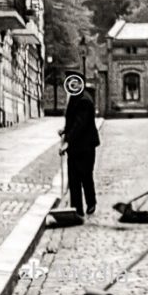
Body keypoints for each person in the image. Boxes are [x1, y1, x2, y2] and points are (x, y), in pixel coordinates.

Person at [59, 69, 100, 217]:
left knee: (85, 176)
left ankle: (91, 202)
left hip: (86, 146)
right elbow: (73, 122)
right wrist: (64, 130)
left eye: (75, 82)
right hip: (77, 146)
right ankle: (77, 209)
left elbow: (80, 124)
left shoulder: (84, 100)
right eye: (70, 82)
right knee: (74, 178)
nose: (72, 85)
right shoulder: (75, 98)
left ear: (80, 83)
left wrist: (67, 142)